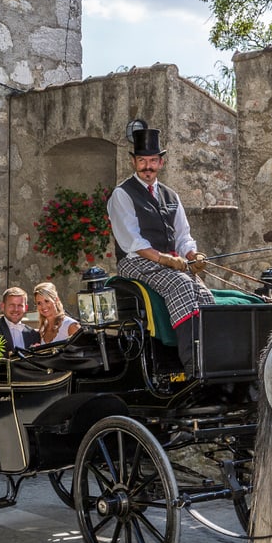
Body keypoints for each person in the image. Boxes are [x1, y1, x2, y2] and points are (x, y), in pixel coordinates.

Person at [107, 127, 211, 377]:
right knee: (182, 287)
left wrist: (193, 256)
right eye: (142, 161)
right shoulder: (122, 194)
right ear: (133, 162)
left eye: (152, 161)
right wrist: (165, 259)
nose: (147, 166)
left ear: (161, 162)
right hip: (135, 262)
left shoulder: (171, 195)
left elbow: (183, 236)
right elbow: (133, 241)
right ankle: (192, 366)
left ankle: (211, 360)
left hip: (170, 263)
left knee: (205, 296)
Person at [0, 286, 38, 353]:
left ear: (26, 308)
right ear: (2, 306)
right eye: (11, 305)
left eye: (20, 305)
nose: (16, 309)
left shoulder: (33, 334)